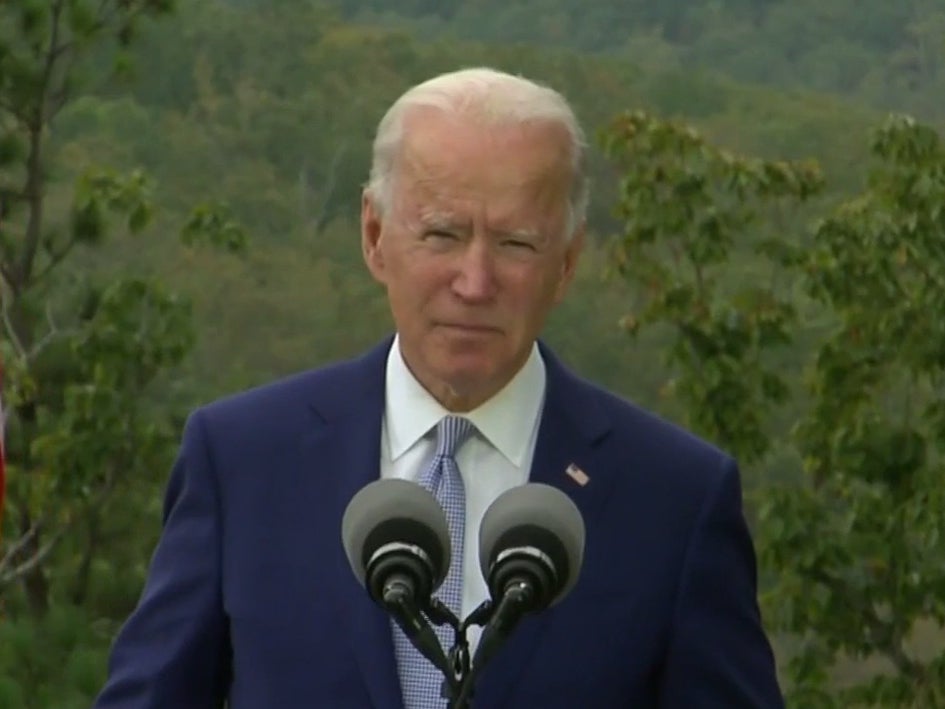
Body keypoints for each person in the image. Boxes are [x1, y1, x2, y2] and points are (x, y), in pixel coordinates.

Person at [94, 67, 784, 708]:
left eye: (515, 244)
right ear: (373, 235)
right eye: (442, 234)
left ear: (567, 262)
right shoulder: (242, 459)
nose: (474, 281)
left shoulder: (674, 498)